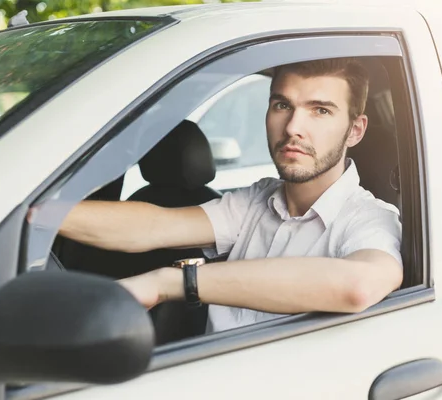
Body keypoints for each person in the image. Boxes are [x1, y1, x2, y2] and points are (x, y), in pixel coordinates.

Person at [57, 58, 403, 333]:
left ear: (355, 131)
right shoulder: (255, 201)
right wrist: (41, 213)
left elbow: (358, 284)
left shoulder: (370, 218)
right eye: (282, 105)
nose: (294, 127)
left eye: (320, 110)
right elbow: (152, 226)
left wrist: (170, 283)